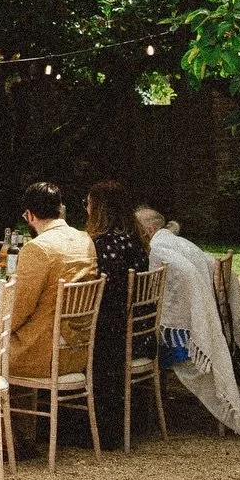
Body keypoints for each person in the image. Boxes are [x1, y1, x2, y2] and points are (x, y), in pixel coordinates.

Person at [0, 182, 97, 435]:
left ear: (29, 215)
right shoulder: (84, 240)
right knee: (6, 345)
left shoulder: (39, 248)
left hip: (42, 354)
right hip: (76, 350)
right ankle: (22, 434)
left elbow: (16, 313)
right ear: (61, 209)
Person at [135, 205, 240, 440]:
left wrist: (195, 314)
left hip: (190, 335)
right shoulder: (176, 242)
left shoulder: (159, 248)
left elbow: (185, 274)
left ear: (148, 229)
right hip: (213, 320)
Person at [85, 179, 148, 451]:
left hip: (111, 333)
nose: (86, 210)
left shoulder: (103, 246)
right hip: (136, 329)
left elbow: (98, 292)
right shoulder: (134, 241)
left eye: (88, 204)